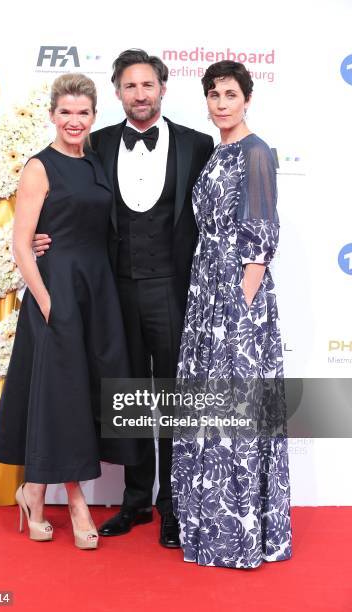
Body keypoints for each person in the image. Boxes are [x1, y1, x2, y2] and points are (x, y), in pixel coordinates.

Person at [33, 49, 214, 548]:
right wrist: (38, 238)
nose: (140, 94)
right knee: (129, 399)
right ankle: (135, 501)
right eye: (130, 86)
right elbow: (68, 196)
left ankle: (173, 506)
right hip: (115, 292)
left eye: (148, 85)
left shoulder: (198, 145)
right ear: (117, 92)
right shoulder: (97, 142)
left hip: (175, 291)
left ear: (162, 88)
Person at [0, 73, 140, 549]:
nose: (74, 121)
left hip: (97, 291)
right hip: (56, 293)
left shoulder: (96, 163)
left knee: (87, 393)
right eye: (66, 112)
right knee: (64, 397)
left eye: (83, 113)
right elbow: (21, 242)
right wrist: (48, 300)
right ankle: (74, 502)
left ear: (94, 116)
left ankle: (33, 492)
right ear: (52, 115)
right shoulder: (39, 166)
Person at [171, 60, 292, 568]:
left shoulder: (256, 152)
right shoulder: (218, 150)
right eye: (214, 95)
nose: (221, 103)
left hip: (237, 302)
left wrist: (238, 315)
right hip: (206, 293)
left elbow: (261, 241)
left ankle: (239, 538)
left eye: (230, 94)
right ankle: (204, 529)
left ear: (247, 99)